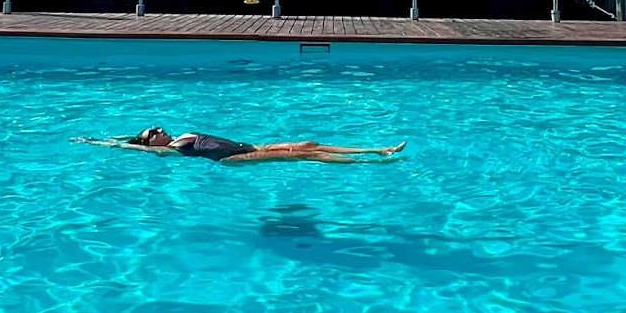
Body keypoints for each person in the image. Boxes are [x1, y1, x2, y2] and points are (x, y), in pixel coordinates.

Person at [88, 127, 406, 165]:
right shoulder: (169, 149)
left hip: (249, 142)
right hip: (235, 157)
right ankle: (374, 160)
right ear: (151, 141)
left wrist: (118, 135)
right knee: (307, 156)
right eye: (152, 131)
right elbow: (136, 148)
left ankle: (375, 149)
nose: (159, 129)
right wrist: (103, 143)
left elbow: (130, 138)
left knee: (308, 143)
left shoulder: (176, 136)